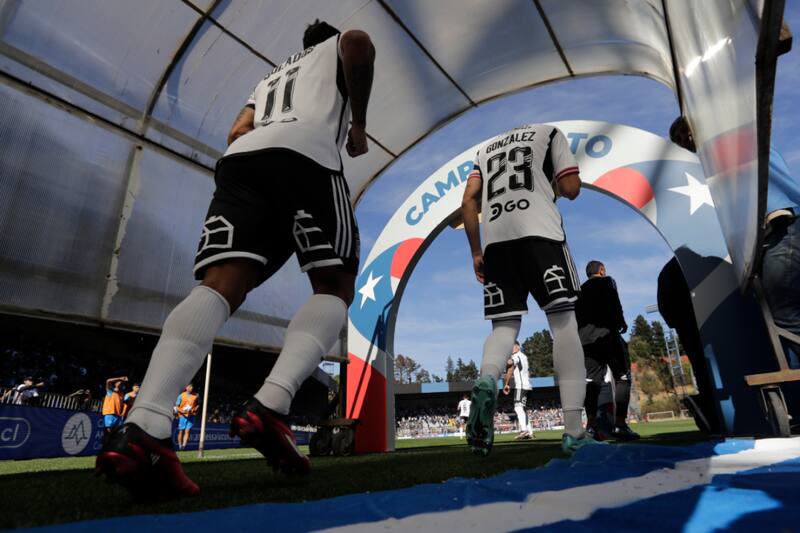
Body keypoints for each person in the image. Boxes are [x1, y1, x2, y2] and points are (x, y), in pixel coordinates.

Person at [96, 20, 375, 500]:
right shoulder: (335, 49)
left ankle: (145, 423)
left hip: (243, 163)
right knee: (334, 285)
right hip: (306, 157)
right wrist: (358, 122)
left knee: (219, 284)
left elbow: (237, 129)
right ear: (324, 42)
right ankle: (272, 404)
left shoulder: (268, 78)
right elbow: (358, 43)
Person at [460, 122, 601, 456]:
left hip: (496, 243)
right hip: (541, 233)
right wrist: (552, 184)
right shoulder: (550, 133)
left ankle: (487, 378)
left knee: (504, 327)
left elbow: (468, 201)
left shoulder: (484, 149)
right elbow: (571, 186)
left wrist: (476, 253)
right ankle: (572, 431)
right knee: (564, 322)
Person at [670, 116, 800, 366]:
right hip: (779, 228)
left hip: (781, 227)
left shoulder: (727, 145)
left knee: (788, 320)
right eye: (680, 142)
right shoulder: (731, 148)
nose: (686, 143)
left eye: (685, 135)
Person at [575, 261, 639, 441]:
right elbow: (613, 301)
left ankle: (591, 427)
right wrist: (621, 322)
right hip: (606, 336)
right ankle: (620, 425)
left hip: (585, 341)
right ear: (601, 270)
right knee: (622, 377)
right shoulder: (607, 281)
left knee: (591, 382)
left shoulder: (579, 290)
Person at [657, 257, 721, 434]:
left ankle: (712, 418)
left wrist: (676, 323)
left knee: (702, 371)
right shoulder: (706, 260)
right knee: (721, 367)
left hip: (687, 327)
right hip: (712, 322)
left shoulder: (667, 272)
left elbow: (664, 307)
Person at [502, 341, 534, 440]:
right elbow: (512, 369)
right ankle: (530, 432)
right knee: (523, 409)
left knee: (518, 408)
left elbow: (510, 363)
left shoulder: (516, 356)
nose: (511, 349)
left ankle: (524, 430)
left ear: (518, 347)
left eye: (512, 347)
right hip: (528, 386)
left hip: (521, 386)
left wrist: (502, 360)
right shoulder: (524, 357)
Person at [175, 384, 200, 451]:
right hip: (182, 416)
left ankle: (184, 446)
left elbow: (198, 404)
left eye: (192, 386)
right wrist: (181, 410)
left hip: (191, 415)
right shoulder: (181, 395)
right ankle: (180, 445)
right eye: (190, 386)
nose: (192, 387)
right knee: (181, 431)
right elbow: (177, 406)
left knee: (187, 431)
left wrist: (195, 408)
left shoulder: (196, 395)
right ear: (186, 388)